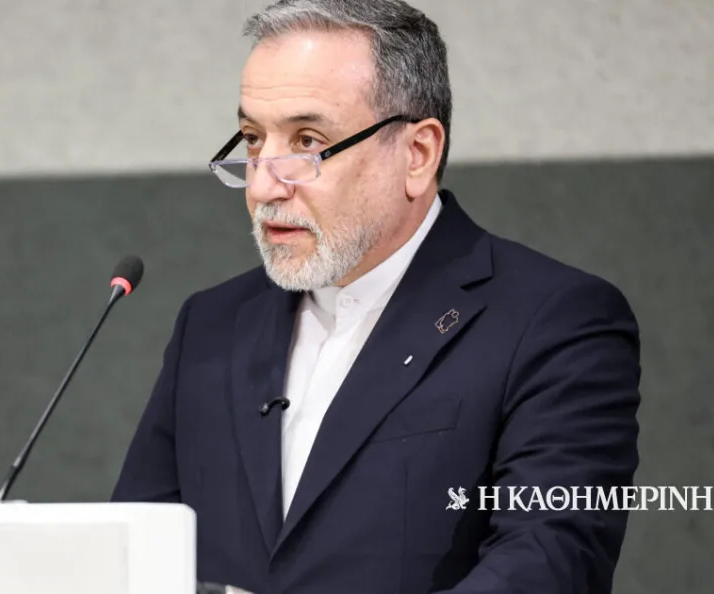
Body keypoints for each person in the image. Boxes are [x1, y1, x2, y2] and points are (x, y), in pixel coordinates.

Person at [111, 1, 641, 593]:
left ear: (417, 154)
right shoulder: (211, 325)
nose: (262, 185)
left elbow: (551, 559)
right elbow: (133, 551)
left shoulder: (555, 321)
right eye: (254, 140)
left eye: (308, 141)